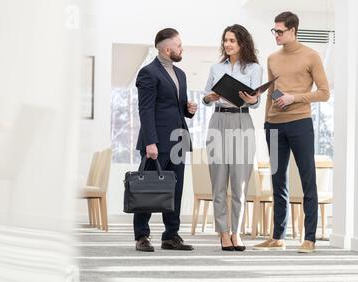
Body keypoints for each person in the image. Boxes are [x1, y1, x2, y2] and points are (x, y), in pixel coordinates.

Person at [253, 12, 330, 252]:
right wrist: (266, 118)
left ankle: (309, 239)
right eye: (274, 31)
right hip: (273, 125)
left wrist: (294, 97)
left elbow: (324, 92)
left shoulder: (311, 56)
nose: (276, 35)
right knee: (278, 181)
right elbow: (271, 91)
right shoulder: (272, 58)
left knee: (308, 179)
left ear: (293, 30)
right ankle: (278, 236)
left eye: (280, 31)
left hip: (300, 123)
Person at [134, 28, 197, 252]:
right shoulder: (148, 73)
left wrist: (189, 110)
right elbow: (146, 109)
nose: (182, 49)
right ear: (167, 49)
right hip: (157, 142)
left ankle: (171, 236)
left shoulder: (180, 74)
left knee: (175, 190)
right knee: (149, 189)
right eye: (179, 45)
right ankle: (142, 236)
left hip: (178, 140)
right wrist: (150, 142)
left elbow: (176, 108)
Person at [203, 24, 262, 251]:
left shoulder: (254, 68)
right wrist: (212, 96)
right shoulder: (216, 68)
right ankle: (223, 233)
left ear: (242, 43)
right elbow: (205, 97)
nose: (227, 44)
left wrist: (250, 99)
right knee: (218, 182)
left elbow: (256, 102)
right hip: (218, 121)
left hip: (242, 120)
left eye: (232, 41)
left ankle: (236, 232)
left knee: (240, 183)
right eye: (225, 40)